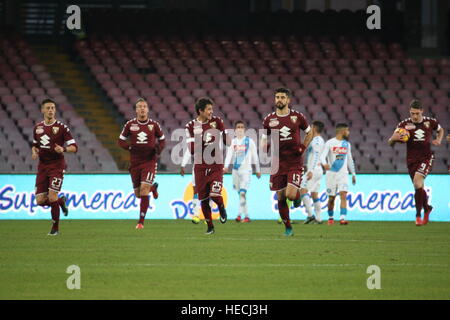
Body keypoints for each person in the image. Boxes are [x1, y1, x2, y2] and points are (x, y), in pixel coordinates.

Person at [261, 88, 313, 236]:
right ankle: (288, 228)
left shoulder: (297, 117)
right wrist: (265, 147)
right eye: (277, 97)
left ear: (288, 100)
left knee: (290, 194)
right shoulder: (269, 120)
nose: (279, 100)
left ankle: (296, 198)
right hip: (278, 163)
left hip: (294, 162)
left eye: (283, 97)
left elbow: (310, 132)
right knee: (280, 196)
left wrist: (303, 147)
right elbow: (264, 139)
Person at [388, 99, 444, 226]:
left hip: (426, 157)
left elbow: (441, 130)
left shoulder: (430, 122)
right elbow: (390, 142)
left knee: (417, 181)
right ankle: (427, 208)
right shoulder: (404, 124)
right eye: (412, 113)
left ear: (422, 112)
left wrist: (438, 139)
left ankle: (418, 216)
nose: (414, 116)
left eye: (417, 113)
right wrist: (393, 139)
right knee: (419, 186)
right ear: (409, 112)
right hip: (411, 160)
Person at [32, 98, 78, 236]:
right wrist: (34, 151)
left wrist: (63, 149)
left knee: (52, 196)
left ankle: (55, 228)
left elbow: (74, 147)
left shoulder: (62, 128)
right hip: (42, 166)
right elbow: (35, 145)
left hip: (57, 166)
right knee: (40, 201)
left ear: (55, 110)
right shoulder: (38, 128)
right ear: (42, 110)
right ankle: (61, 201)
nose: (51, 110)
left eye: (53, 108)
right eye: (48, 108)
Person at [118, 98, 165, 229]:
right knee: (138, 194)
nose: (142, 108)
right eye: (139, 106)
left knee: (143, 189)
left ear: (148, 109)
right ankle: (153, 188)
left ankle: (141, 222)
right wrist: (129, 147)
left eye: (144, 106)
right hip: (135, 163)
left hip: (149, 161)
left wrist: (159, 149)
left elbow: (162, 140)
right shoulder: (130, 125)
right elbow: (120, 141)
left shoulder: (154, 125)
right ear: (136, 110)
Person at [185, 97, 228, 235]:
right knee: (203, 198)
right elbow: (191, 149)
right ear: (200, 111)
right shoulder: (190, 126)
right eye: (208, 109)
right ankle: (210, 227)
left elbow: (227, 140)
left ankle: (221, 207)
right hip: (200, 166)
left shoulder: (217, 122)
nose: (211, 112)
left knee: (215, 194)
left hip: (216, 164)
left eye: (212, 109)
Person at [224, 120, 261, 223]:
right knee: (240, 194)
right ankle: (247, 216)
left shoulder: (249, 141)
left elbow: (255, 156)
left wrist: (257, 170)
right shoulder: (233, 142)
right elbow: (229, 155)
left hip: (246, 171)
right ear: (235, 130)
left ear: (244, 129)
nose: (240, 129)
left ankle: (239, 215)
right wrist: (225, 167)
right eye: (238, 127)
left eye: (241, 127)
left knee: (242, 193)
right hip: (235, 171)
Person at [320, 123, 356, 225]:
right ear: (342, 131)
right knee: (331, 198)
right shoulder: (330, 143)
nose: (348, 133)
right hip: (331, 174)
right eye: (347, 130)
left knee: (343, 195)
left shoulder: (347, 144)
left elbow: (350, 159)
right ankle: (331, 217)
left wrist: (353, 174)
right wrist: (324, 163)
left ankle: (342, 218)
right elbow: (322, 156)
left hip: (343, 174)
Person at [294, 121, 325, 224]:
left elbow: (316, 155)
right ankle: (319, 218)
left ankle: (310, 215)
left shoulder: (316, 141)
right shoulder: (321, 140)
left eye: (311, 127)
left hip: (314, 170)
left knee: (302, 190)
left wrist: (311, 170)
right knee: (314, 194)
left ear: (315, 128)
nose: (310, 129)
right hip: (318, 170)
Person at [180, 150, 201, 223]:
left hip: (209, 167)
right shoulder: (195, 140)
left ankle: (208, 216)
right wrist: (183, 165)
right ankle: (196, 215)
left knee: (208, 191)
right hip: (197, 167)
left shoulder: (212, 139)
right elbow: (189, 150)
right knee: (195, 190)